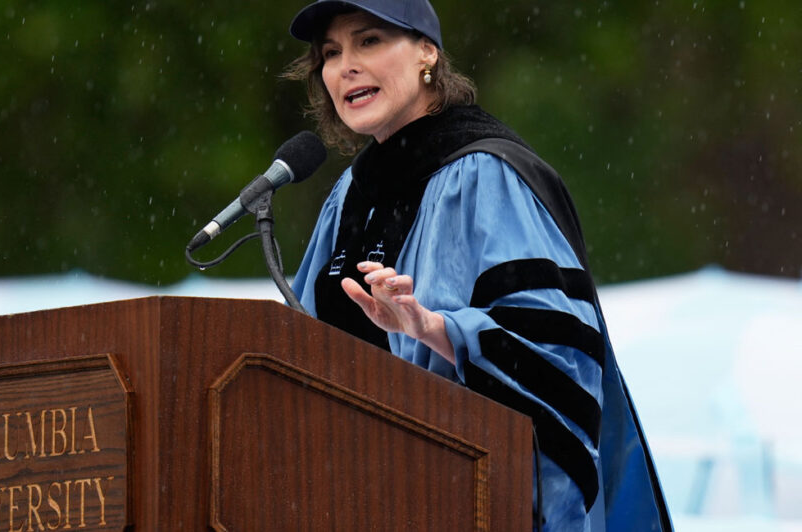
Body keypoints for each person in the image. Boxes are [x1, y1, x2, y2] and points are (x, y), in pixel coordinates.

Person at [285, 1, 673, 530]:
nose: (345, 66)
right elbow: (299, 357)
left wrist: (435, 329)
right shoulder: (349, 197)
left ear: (427, 53)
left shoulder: (488, 176)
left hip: (467, 504)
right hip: (351, 501)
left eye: (369, 41)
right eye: (331, 53)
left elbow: (558, 355)